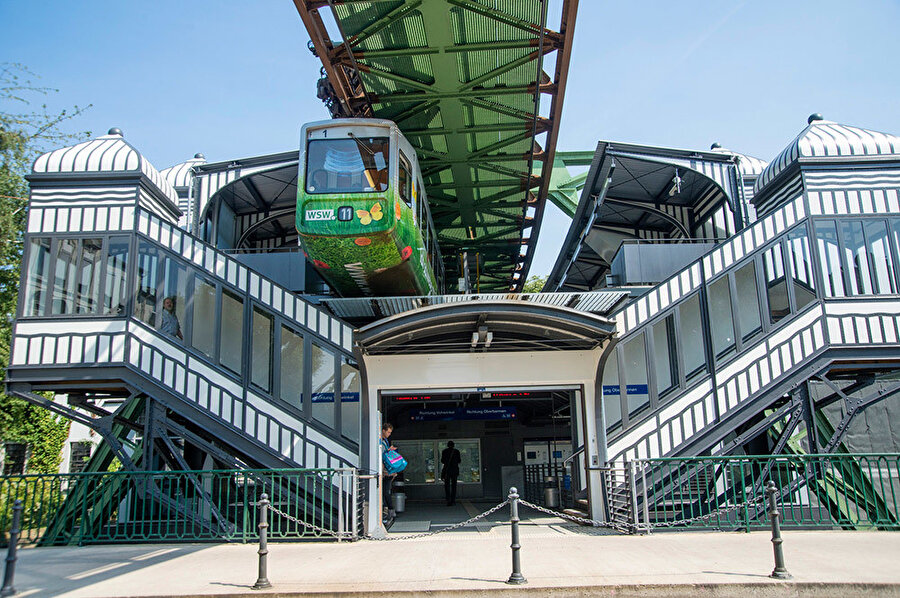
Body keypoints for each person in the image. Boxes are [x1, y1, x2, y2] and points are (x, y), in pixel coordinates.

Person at [380, 422, 397, 520]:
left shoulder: (384, 441)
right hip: (385, 471)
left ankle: (388, 510)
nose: (389, 434)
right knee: (386, 491)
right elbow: (382, 457)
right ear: (383, 431)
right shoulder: (382, 442)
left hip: (386, 471)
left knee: (385, 491)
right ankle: (388, 510)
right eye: (388, 432)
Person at [440, 440, 461, 506]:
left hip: (447, 470)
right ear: (453, 445)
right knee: (454, 486)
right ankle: (453, 500)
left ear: (447, 445)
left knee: (447, 485)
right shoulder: (456, 451)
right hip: (454, 471)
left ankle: (448, 500)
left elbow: (442, 461)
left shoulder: (444, 451)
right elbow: (459, 461)